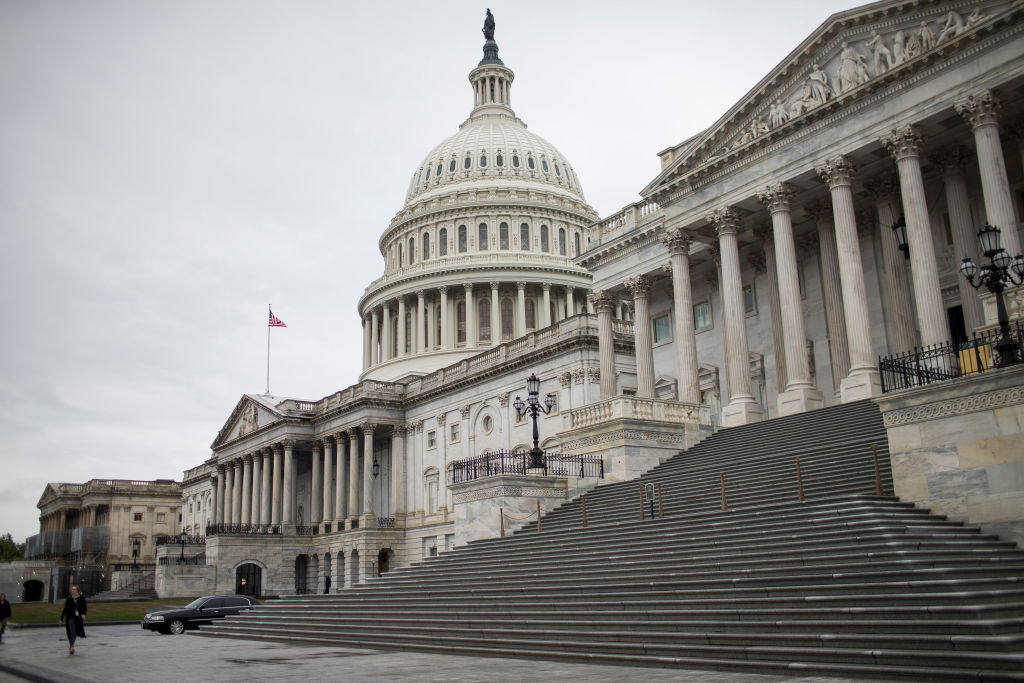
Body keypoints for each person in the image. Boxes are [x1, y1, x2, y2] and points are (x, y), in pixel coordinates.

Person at [59, 585, 87, 655]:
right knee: (72, 631)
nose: (73, 591)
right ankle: (71, 646)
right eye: (72, 589)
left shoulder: (81, 598)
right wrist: (61, 619)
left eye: (74, 589)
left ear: (77, 590)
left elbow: (84, 607)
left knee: (75, 631)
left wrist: (83, 614)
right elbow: (65, 609)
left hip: (78, 618)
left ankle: (71, 645)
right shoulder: (69, 599)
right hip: (70, 617)